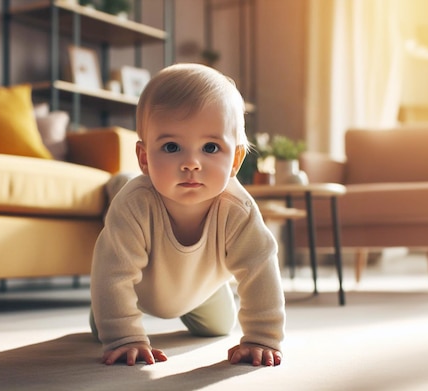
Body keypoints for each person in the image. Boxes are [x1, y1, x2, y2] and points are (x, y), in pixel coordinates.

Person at [90, 63, 285, 367]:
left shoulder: (238, 209)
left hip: (202, 289)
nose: (191, 163)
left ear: (235, 160)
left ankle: (209, 292)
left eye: (210, 147)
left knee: (220, 327)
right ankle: (119, 182)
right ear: (144, 158)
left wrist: (262, 336)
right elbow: (113, 274)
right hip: (140, 290)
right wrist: (124, 336)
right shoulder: (134, 205)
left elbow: (260, 267)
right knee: (104, 321)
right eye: (171, 147)